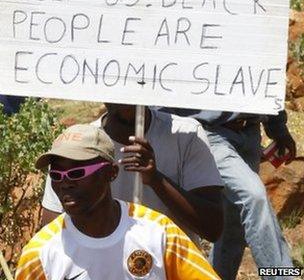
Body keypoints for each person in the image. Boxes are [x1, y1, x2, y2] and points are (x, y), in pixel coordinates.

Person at [16, 124, 221, 280]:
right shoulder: (40, 253)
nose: (65, 183)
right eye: (57, 175)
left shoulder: (159, 233)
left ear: (111, 173)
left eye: (77, 172)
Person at [41, 104, 224, 243]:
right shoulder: (78, 146)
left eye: (77, 173)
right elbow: (50, 236)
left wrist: (156, 180)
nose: (65, 181)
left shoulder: (186, 134)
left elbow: (212, 229)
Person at [160, 108, 296, 280]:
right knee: (254, 197)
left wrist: (279, 129)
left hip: (250, 133)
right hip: (209, 133)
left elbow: (268, 84)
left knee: (233, 224)